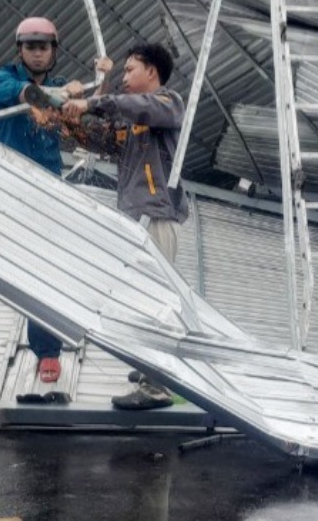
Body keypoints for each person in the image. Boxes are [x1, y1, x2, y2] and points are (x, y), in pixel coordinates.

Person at [0, 16, 86, 383]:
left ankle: (48, 352)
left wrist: (75, 94)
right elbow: (22, 94)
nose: (37, 54)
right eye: (30, 47)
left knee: (44, 271)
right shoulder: (2, 79)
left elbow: (79, 109)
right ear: (19, 51)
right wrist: (48, 95)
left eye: (44, 47)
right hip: (3, 186)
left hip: (46, 189)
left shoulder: (62, 87)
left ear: (54, 51)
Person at [62, 43, 188, 410]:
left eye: (130, 70)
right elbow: (103, 135)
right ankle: (152, 368)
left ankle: (156, 387)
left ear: (152, 72)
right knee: (139, 298)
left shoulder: (168, 104)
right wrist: (80, 105)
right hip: (139, 217)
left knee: (156, 301)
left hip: (157, 216)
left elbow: (133, 107)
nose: (125, 77)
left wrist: (97, 101)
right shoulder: (134, 121)